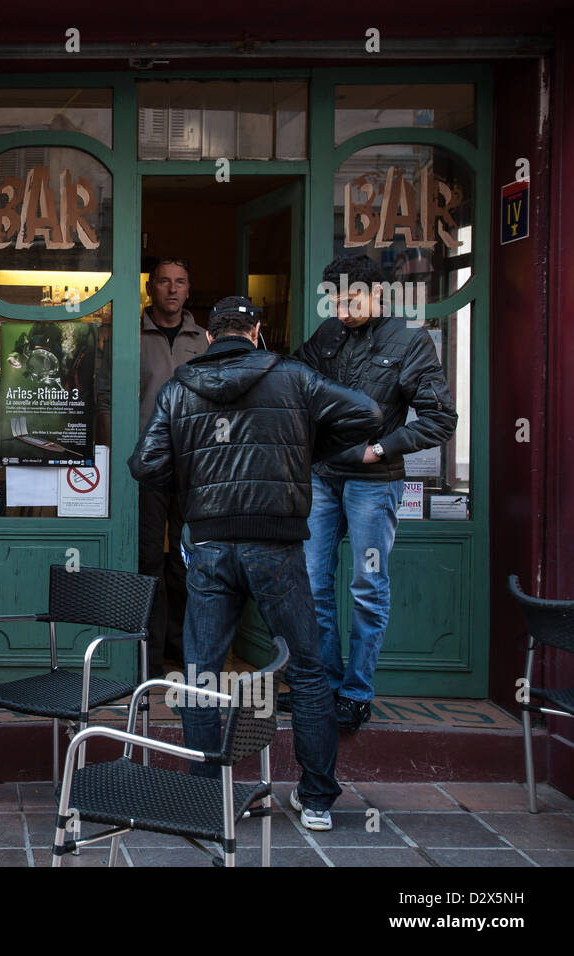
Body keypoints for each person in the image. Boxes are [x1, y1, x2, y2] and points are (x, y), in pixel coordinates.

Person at [129, 296, 381, 830]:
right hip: (278, 547)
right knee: (308, 672)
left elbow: (145, 464)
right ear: (257, 330)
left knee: (200, 674)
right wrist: (303, 447)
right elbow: (367, 412)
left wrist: (192, 473)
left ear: (213, 334)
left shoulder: (179, 387)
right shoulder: (295, 378)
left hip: (212, 545)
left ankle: (206, 796)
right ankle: (315, 801)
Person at [294, 256, 459, 732]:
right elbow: (295, 388)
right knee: (311, 583)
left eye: (354, 299)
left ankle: (356, 691)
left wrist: (381, 448)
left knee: (367, 587)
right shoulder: (326, 336)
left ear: (380, 294)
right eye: (337, 299)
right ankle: (323, 688)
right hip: (322, 476)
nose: (343, 308)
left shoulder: (410, 341)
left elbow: (440, 419)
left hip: (374, 481)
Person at [137, 257, 208, 678]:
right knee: (148, 557)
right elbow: (108, 397)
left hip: (194, 464)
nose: (172, 289)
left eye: (180, 281)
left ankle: (183, 650)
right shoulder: (133, 334)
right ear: (151, 289)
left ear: (188, 289)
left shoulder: (204, 339)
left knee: (187, 558)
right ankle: (149, 654)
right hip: (147, 465)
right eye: (164, 281)